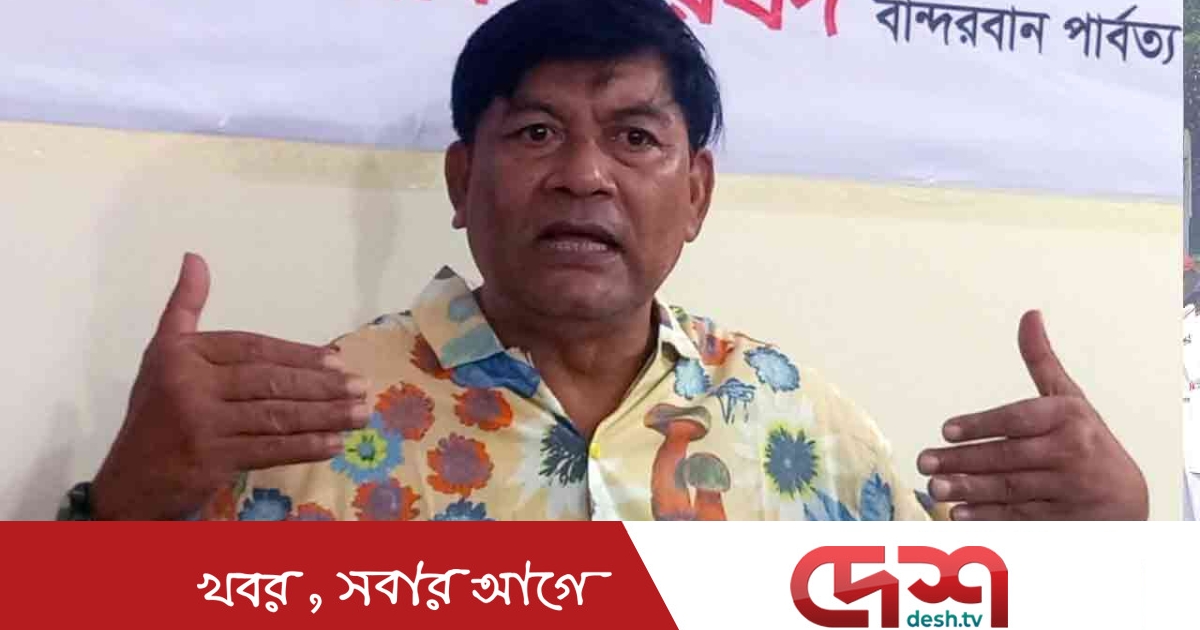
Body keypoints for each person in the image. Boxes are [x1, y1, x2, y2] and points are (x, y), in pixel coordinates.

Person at [59, 0, 1147, 522]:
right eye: (536, 132)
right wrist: (128, 499)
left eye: (634, 138)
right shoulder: (304, 424)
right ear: (461, 180)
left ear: (696, 194)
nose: (584, 176)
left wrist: (1113, 546)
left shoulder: (800, 426)